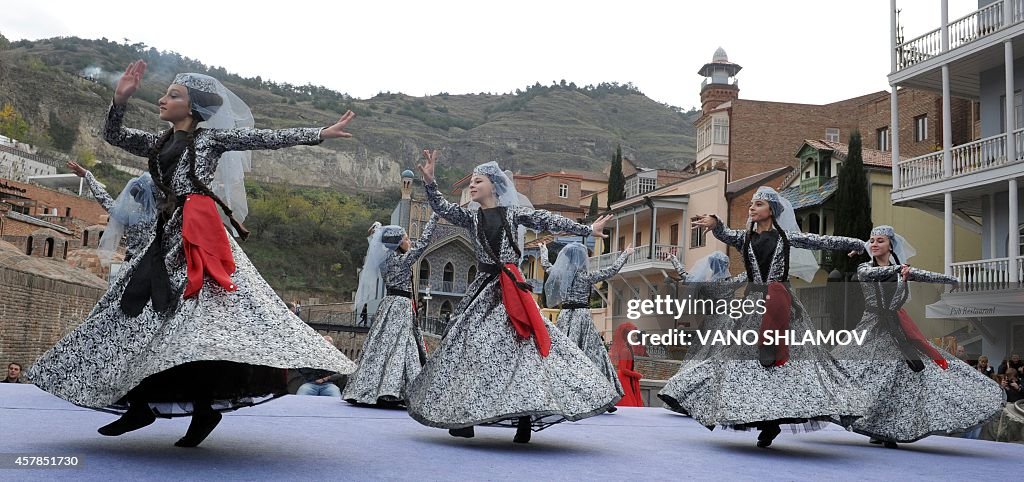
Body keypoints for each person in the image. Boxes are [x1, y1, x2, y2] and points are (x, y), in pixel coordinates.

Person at [27, 61, 356, 448]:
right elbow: (113, 134)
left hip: (199, 239)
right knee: (140, 318)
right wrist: (120, 99)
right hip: (164, 238)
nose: (163, 100)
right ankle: (142, 402)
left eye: (173, 95)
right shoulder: (158, 142)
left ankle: (202, 408)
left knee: (195, 329)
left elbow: (265, 138)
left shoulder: (210, 140)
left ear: (193, 107)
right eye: (165, 94)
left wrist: (319, 133)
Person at [405, 150, 620, 444]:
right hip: (482, 289)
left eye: (478, 181)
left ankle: (523, 419)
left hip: (510, 291)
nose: (472, 185)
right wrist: (430, 181)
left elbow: (547, 219)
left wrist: (586, 229)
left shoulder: (513, 213)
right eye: (471, 181)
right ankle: (465, 417)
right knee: (466, 345)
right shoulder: (472, 217)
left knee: (523, 351)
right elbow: (442, 206)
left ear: (493, 185)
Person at [680, 186, 870, 448]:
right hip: (753, 305)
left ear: (771, 210)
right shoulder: (743, 238)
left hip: (782, 303)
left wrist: (857, 243)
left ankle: (776, 417)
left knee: (786, 359)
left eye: (758, 204)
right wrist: (716, 223)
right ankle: (764, 419)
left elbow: (821, 241)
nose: (752, 208)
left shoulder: (786, 237)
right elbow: (723, 232)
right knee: (743, 359)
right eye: (751, 204)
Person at [831, 225, 1004, 448]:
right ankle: (863, 420)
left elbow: (922, 275)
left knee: (899, 378)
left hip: (896, 327)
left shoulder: (900, 269)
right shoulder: (865, 267)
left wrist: (950, 280)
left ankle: (887, 430)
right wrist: (900, 272)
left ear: (890, 244)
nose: (874, 244)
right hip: (872, 326)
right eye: (872, 240)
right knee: (849, 369)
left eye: (880, 240)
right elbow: (874, 274)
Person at [343, 214, 438, 407]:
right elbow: (425, 241)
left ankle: (367, 387)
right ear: (397, 243)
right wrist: (434, 217)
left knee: (380, 344)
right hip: (401, 305)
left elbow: (376, 245)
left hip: (387, 304)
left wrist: (377, 231)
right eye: (404, 238)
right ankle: (395, 390)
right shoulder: (404, 260)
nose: (408, 241)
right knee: (401, 345)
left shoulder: (384, 261)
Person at [539, 241, 633, 411]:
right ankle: (604, 396)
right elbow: (611, 271)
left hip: (566, 317)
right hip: (582, 317)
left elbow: (546, 266)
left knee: (564, 355)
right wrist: (625, 255)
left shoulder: (561, 275)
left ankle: (562, 395)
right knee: (594, 354)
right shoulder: (586, 276)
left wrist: (543, 250)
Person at [658, 251, 748, 414]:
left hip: (708, 325)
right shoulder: (732, 283)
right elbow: (751, 272)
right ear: (726, 266)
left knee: (698, 362)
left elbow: (685, 276)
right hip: (727, 325)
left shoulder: (705, 284)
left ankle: (683, 395)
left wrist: (674, 260)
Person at [67, 161, 156, 264]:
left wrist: (88, 175)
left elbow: (104, 199)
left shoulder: (129, 214)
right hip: (151, 264)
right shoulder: (164, 215)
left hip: (132, 263)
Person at [609, 322, 646, 407]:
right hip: (624, 380)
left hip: (627, 379)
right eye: (633, 336)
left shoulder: (627, 349)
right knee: (627, 403)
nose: (636, 338)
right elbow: (623, 369)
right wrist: (636, 375)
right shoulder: (625, 350)